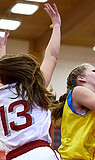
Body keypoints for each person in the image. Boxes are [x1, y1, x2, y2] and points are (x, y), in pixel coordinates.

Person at [0, 3, 61, 160]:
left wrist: (1, 51)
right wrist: (56, 26)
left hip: (15, 156)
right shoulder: (34, 88)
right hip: (41, 152)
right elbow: (52, 56)